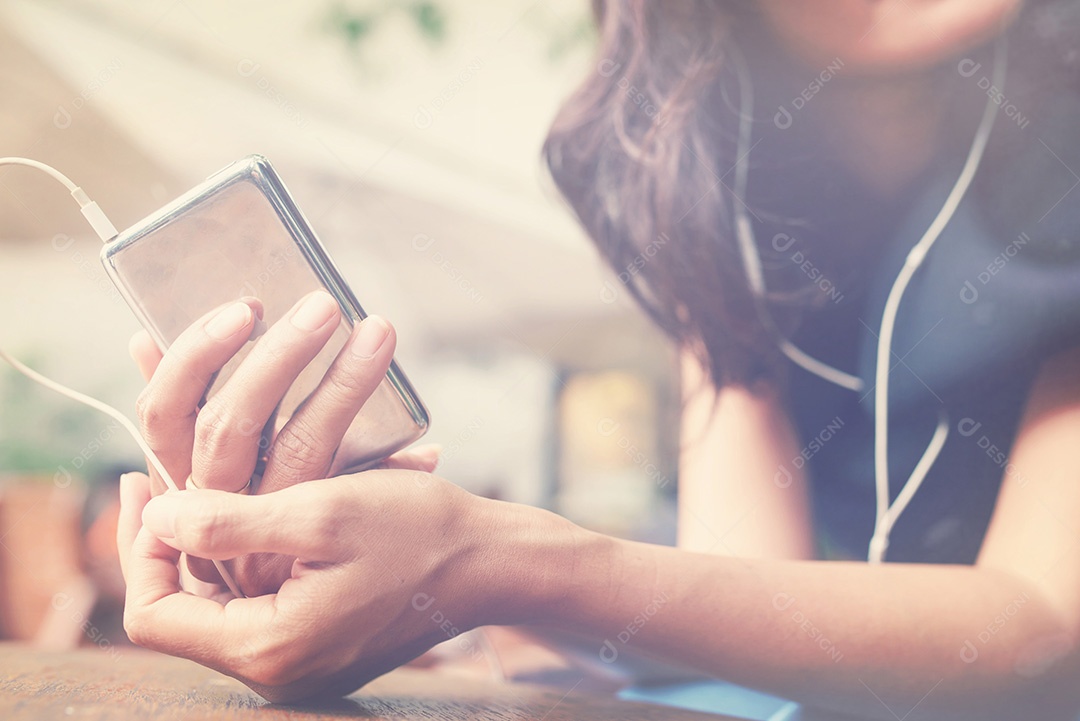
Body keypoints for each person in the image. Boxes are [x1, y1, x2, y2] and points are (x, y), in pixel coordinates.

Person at [116, 0, 1080, 717]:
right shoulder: (705, 179)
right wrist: (421, 585)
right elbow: (747, 578)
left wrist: (500, 564)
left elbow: (1044, 625)